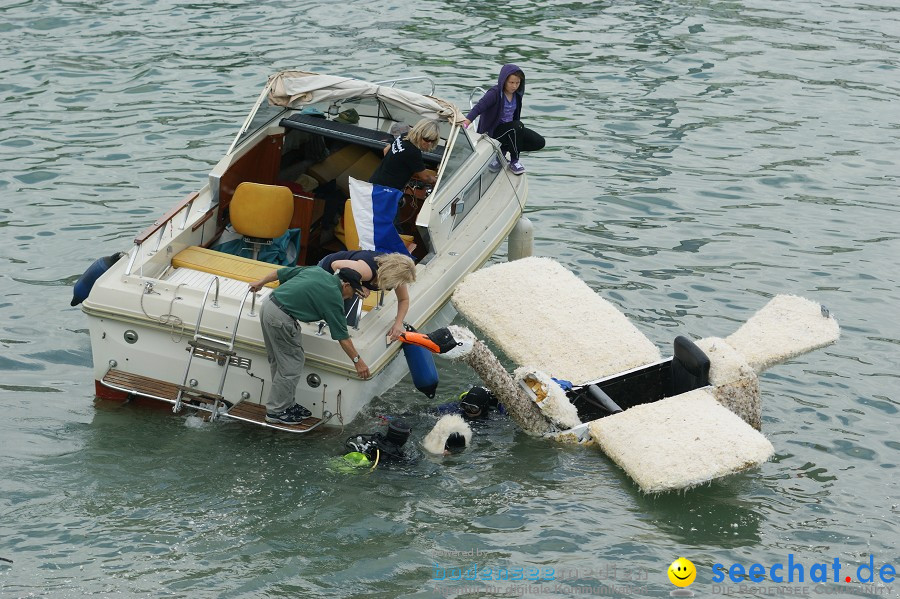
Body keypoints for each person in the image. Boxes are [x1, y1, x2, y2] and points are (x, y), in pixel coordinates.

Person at [248, 266, 371, 424]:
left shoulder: (317, 271)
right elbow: (342, 337)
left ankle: (286, 405)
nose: (350, 297)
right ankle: (276, 411)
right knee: (292, 364)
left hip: (268, 305)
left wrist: (260, 282)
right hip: (281, 318)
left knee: (279, 361)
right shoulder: (334, 297)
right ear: (346, 285)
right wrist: (358, 362)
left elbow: (280, 273)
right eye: (353, 292)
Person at [463, 63, 545, 175]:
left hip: (511, 130)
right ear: (504, 81)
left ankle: (501, 152)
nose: (514, 86)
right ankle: (514, 161)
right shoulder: (495, 93)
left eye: (517, 83)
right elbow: (478, 108)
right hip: (493, 132)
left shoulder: (517, 95)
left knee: (539, 142)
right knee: (517, 126)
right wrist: (466, 123)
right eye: (511, 82)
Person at [318, 250, 416, 340]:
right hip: (326, 271)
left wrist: (398, 324)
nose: (398, 286)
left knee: (347, 321)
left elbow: (404, 300)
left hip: (349, 281)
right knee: (329, 309)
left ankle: (343, 337)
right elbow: (336, 265)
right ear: (391, 275)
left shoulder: (398, 279)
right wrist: (358, 286)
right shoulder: (366, 270)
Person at [369, 118, 439, 191]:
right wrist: (436, 181)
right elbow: (425, 177)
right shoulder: (413, 152)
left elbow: (386, 150)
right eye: (427, 139)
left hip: (375, 181)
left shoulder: (405, 136)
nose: (429, 143)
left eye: (432, 140)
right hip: (386, 190)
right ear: (419, 133)